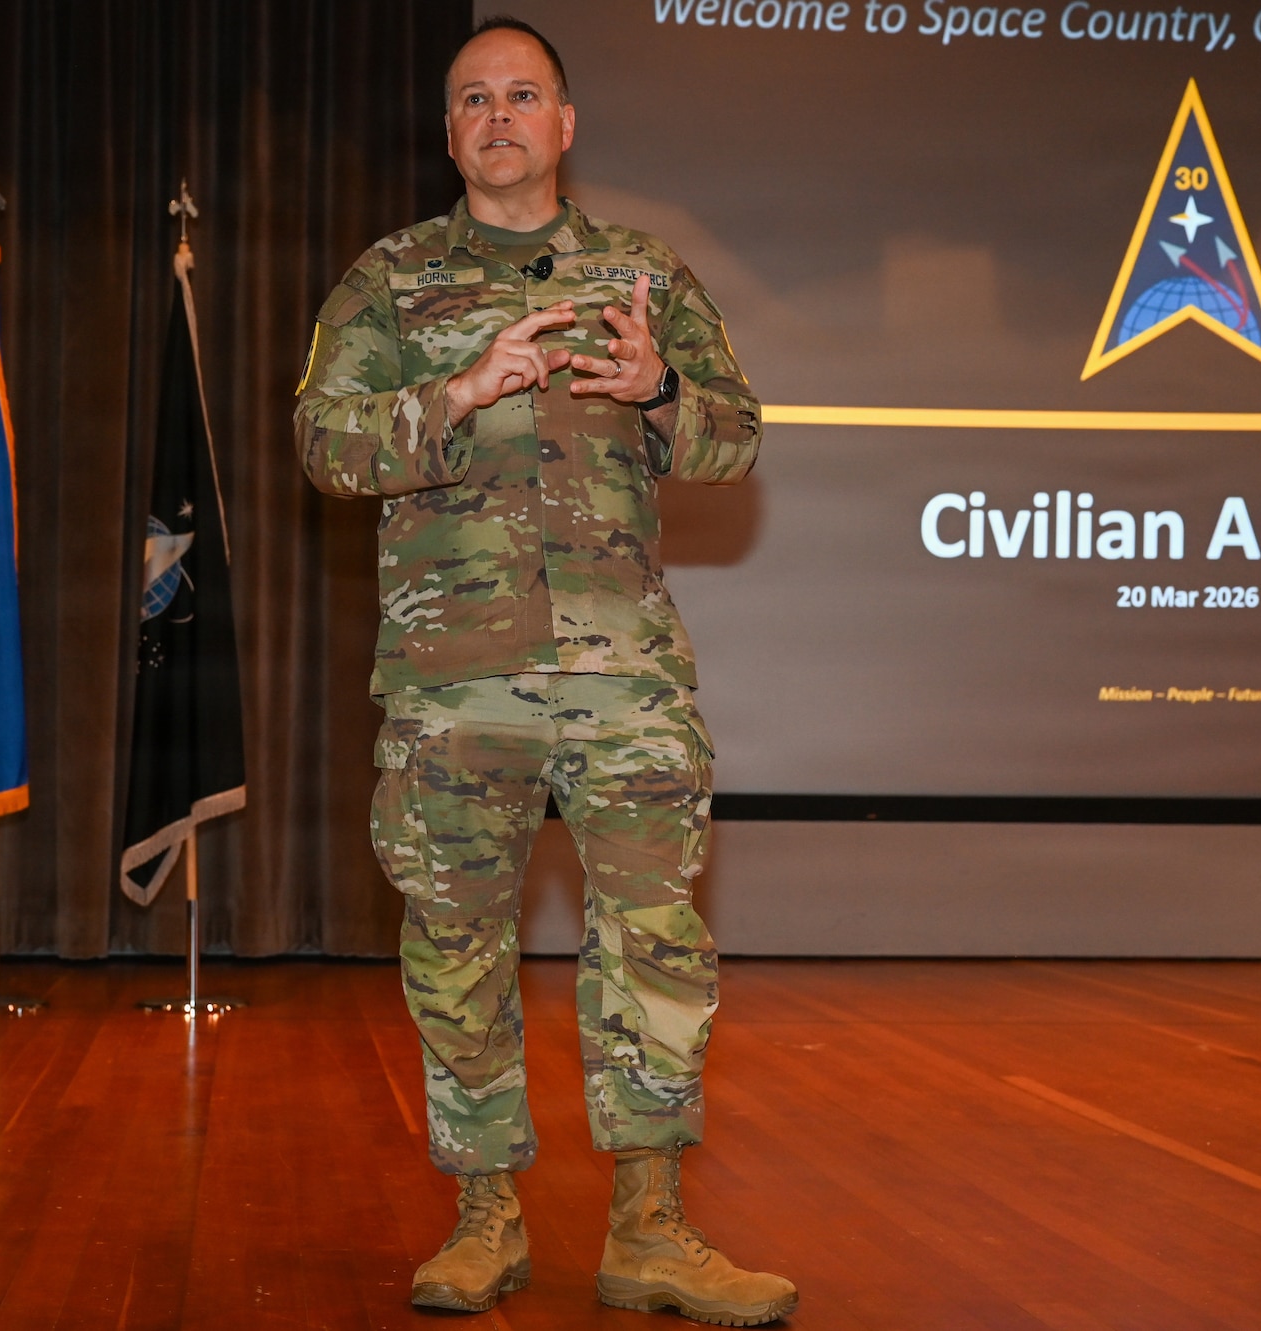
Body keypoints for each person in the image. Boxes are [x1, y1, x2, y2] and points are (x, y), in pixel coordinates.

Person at [294, 16, 796, 1326]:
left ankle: (651, 1230)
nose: (498, 117)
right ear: (450, 131)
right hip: (451, 693)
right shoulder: (390, 284)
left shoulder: (642, 274)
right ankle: (484, 1220)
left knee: (654, 947)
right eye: (473, 100)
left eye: (523, 96)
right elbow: (325, 447)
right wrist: (451, 399)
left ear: (566, 125)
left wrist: (659, 392)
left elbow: (738, 440)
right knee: (456, 953)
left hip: (624, 684)